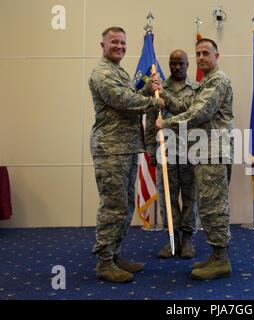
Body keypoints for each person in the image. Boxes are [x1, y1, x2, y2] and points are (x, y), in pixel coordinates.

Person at [88, 26, 164, 283]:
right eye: (114, 43)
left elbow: (131, 96)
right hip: (111, 150)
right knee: (113, 206)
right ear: (103, 45)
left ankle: (115, 254)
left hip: (127, 147)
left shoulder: (118, 70)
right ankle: (104, 262)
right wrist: (154, 101)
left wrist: (147, 90)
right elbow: (122, 100)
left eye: (122, 43)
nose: (119, 47)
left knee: (125, 205)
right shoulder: (102, 73)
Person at [154, 38, 234, 280]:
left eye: (205, 53)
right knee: (209, 207)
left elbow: (200, 113)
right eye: (198, 54)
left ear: (216, 56)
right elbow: (184, 105)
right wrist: (163, 94)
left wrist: (165, 123)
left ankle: (221, 260)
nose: (201, 58)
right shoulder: (205, 83)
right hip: (203, 151)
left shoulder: (218, 81)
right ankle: (216, 255)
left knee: (214, 207)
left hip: (213, 152)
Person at [144, 49, 199, 259]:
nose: (177, 67)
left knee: (190, 197)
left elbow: (191, 114)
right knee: (168, 197)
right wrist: (150, 150)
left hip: (189, 151)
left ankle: (187, 239)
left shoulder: (195, 88)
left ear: (187, 64)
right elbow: (151, 122)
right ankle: (171, 238)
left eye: (181, 63)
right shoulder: (157, 89)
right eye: (173, 63)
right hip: (164, 152)